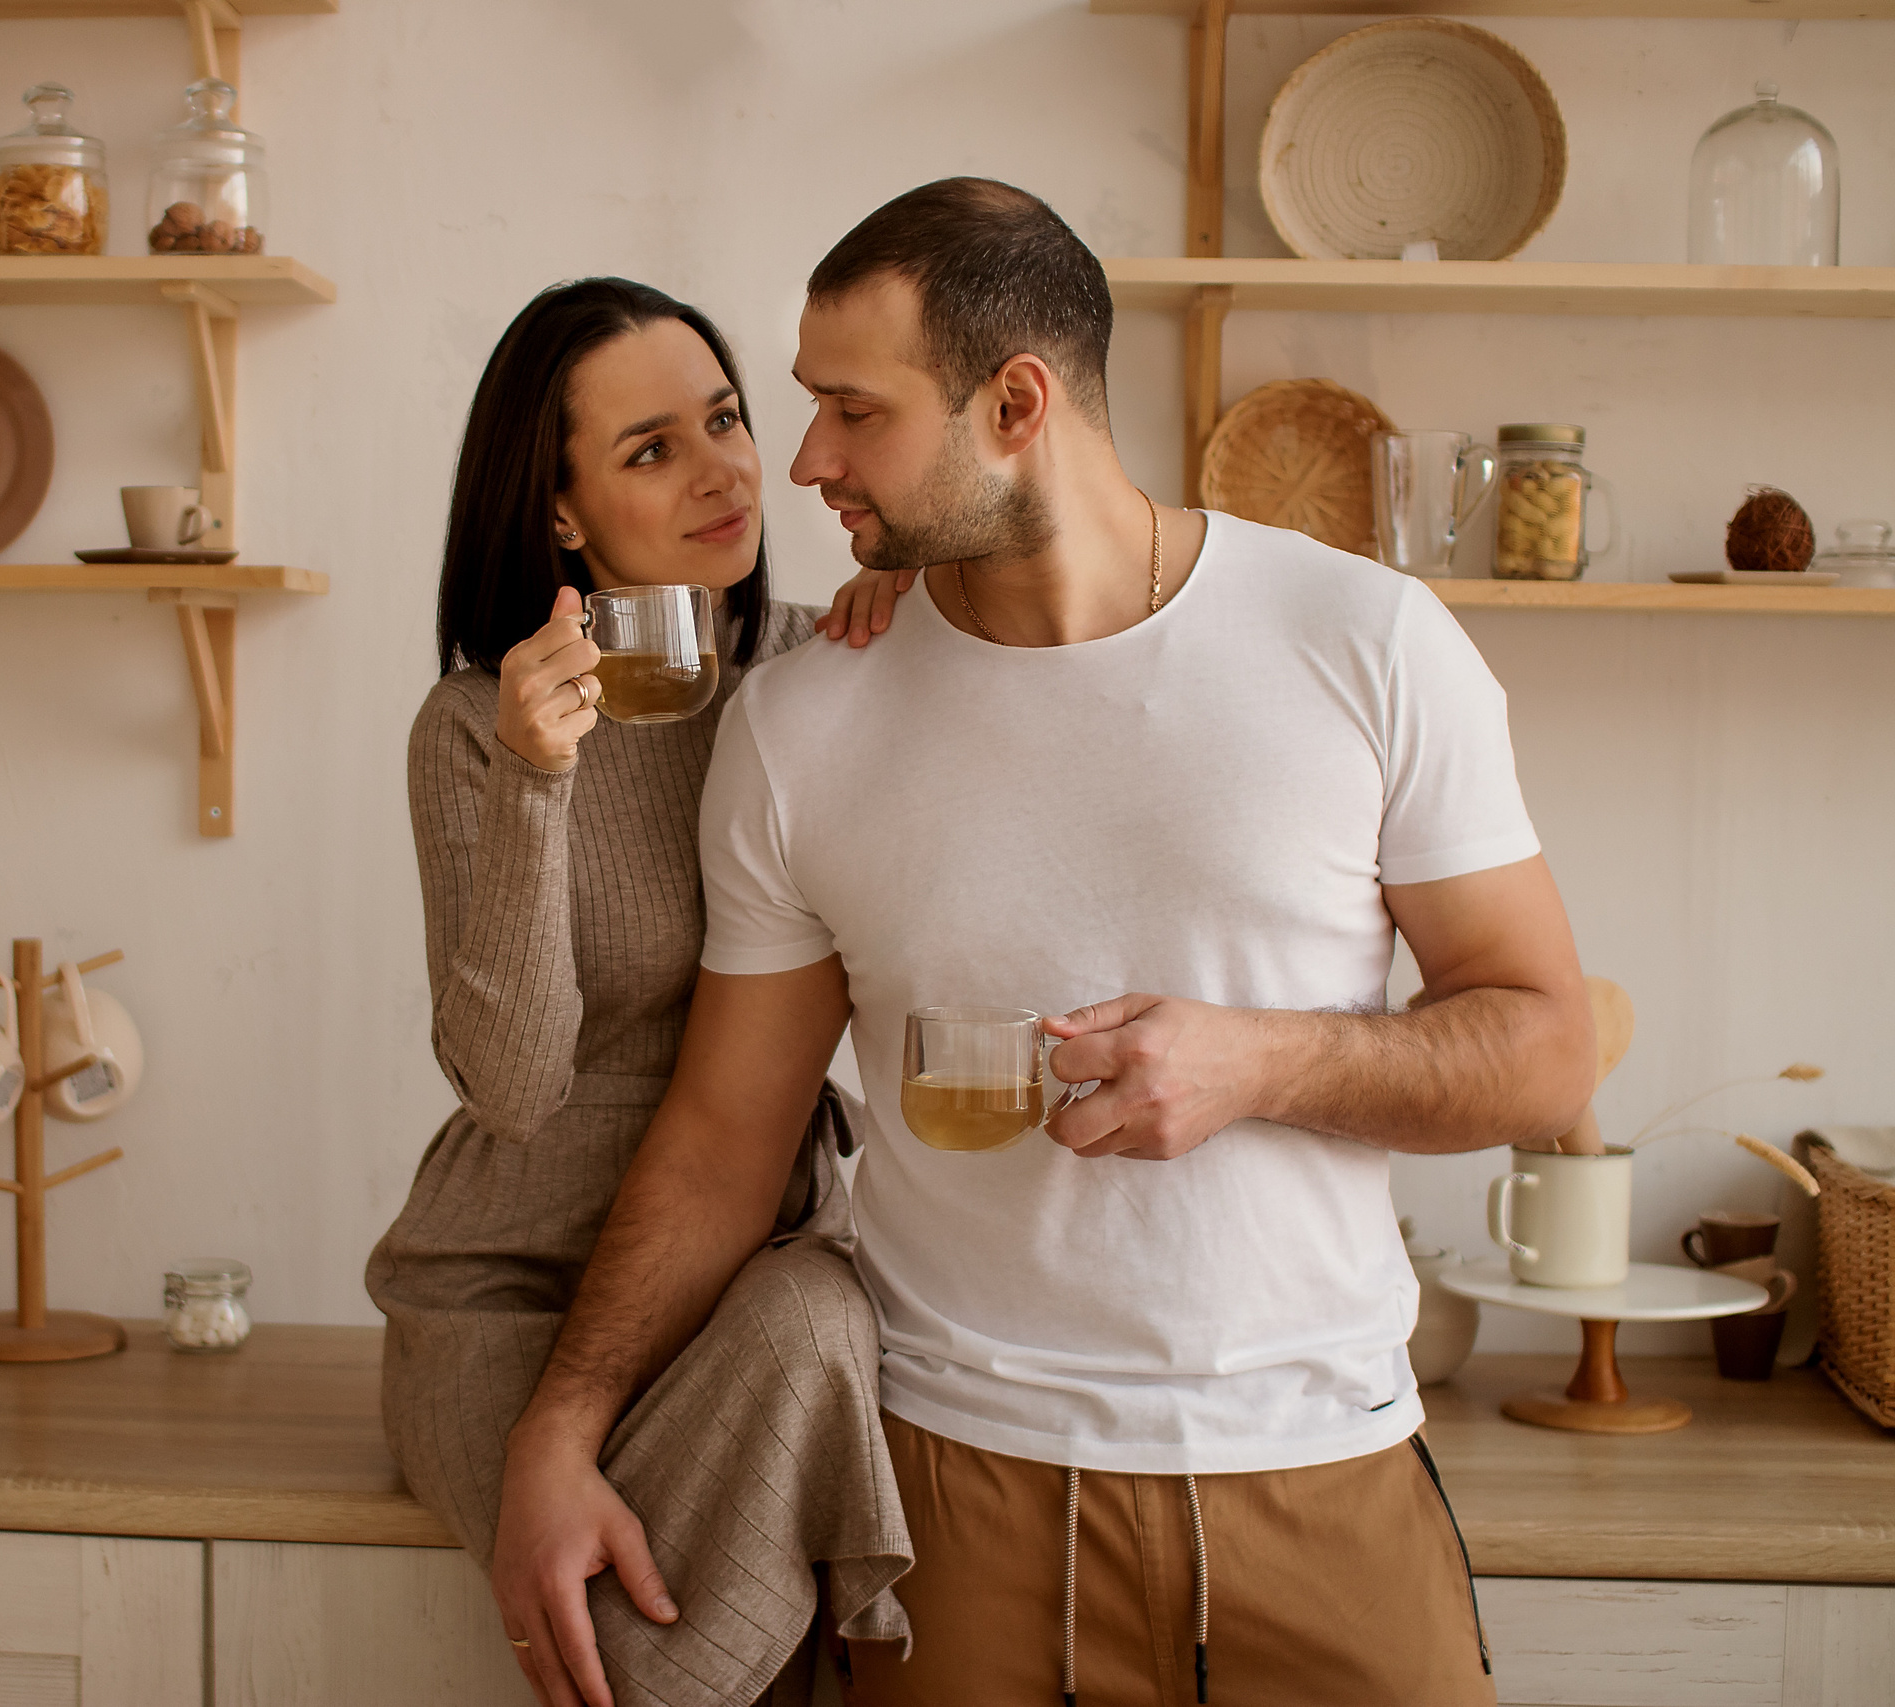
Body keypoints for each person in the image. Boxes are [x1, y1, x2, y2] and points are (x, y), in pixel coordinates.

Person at [488, 181, 1595, 1707]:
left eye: (850, 412)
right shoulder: (803, 725)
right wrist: (561, 1426)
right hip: (953, 1509)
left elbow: (1542, 1047)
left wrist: (1261, 1061)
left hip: (1323, 1480)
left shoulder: (1368, 642)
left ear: (1015, 401)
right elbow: (722, 1139)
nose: (802, 461)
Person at [365, 277, 915, 1707]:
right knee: (613, 1616)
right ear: (560, 514)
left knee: (820, 1333)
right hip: (512, 1291)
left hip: (744, 1262)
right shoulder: (476, 726)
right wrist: (538, 786)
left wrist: (935, 616)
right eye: (651, 448)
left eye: (726, 419)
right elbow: (514, 1084)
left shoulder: (825, 662)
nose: (726, 467)